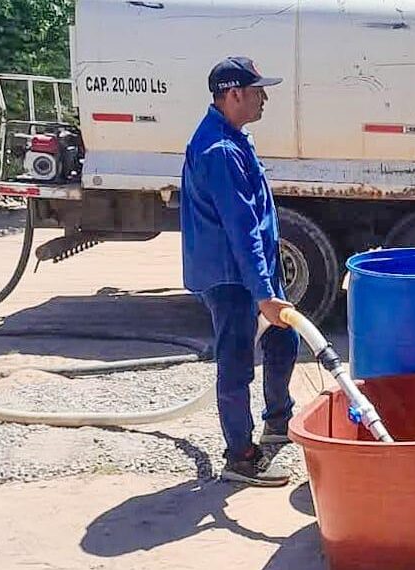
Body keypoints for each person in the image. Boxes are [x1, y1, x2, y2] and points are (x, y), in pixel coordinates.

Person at [180, 56, 299, 487]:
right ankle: (241, 456)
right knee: (235, 363)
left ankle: (278, 421)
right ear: (233, 95)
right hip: (231, 276)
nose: (264, 97)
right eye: (257, 91)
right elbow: (241, 226)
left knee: (285, 340)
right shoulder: (220, 150)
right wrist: (264, 293)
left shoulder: (233, 135)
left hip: (252, 270)